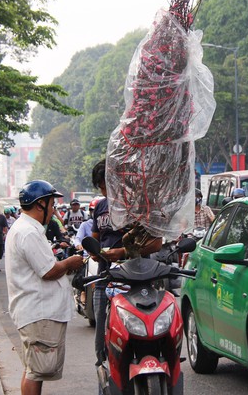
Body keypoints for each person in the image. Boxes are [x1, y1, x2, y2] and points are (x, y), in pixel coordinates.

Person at [5, 180, 85, 395]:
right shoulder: (28, 232)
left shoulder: (28, 229)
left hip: (36, 311)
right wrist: (70, 263)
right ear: (40, 204)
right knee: (36, 371)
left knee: (33, 369)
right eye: (52, 204)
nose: (53, 209)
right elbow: (48, 271)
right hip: (38, 312)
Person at [90, 160, 162, 388]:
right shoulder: (100, 207)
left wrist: (122, 251)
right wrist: (95, 251)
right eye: (101, 187)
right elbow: (95, 237)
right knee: (102, 342)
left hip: (137, 280)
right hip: (106, 279)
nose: (105, 191)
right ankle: (106, 383)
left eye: (107, 185)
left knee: (149, 331)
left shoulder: (138, 207)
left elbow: (156, 243)